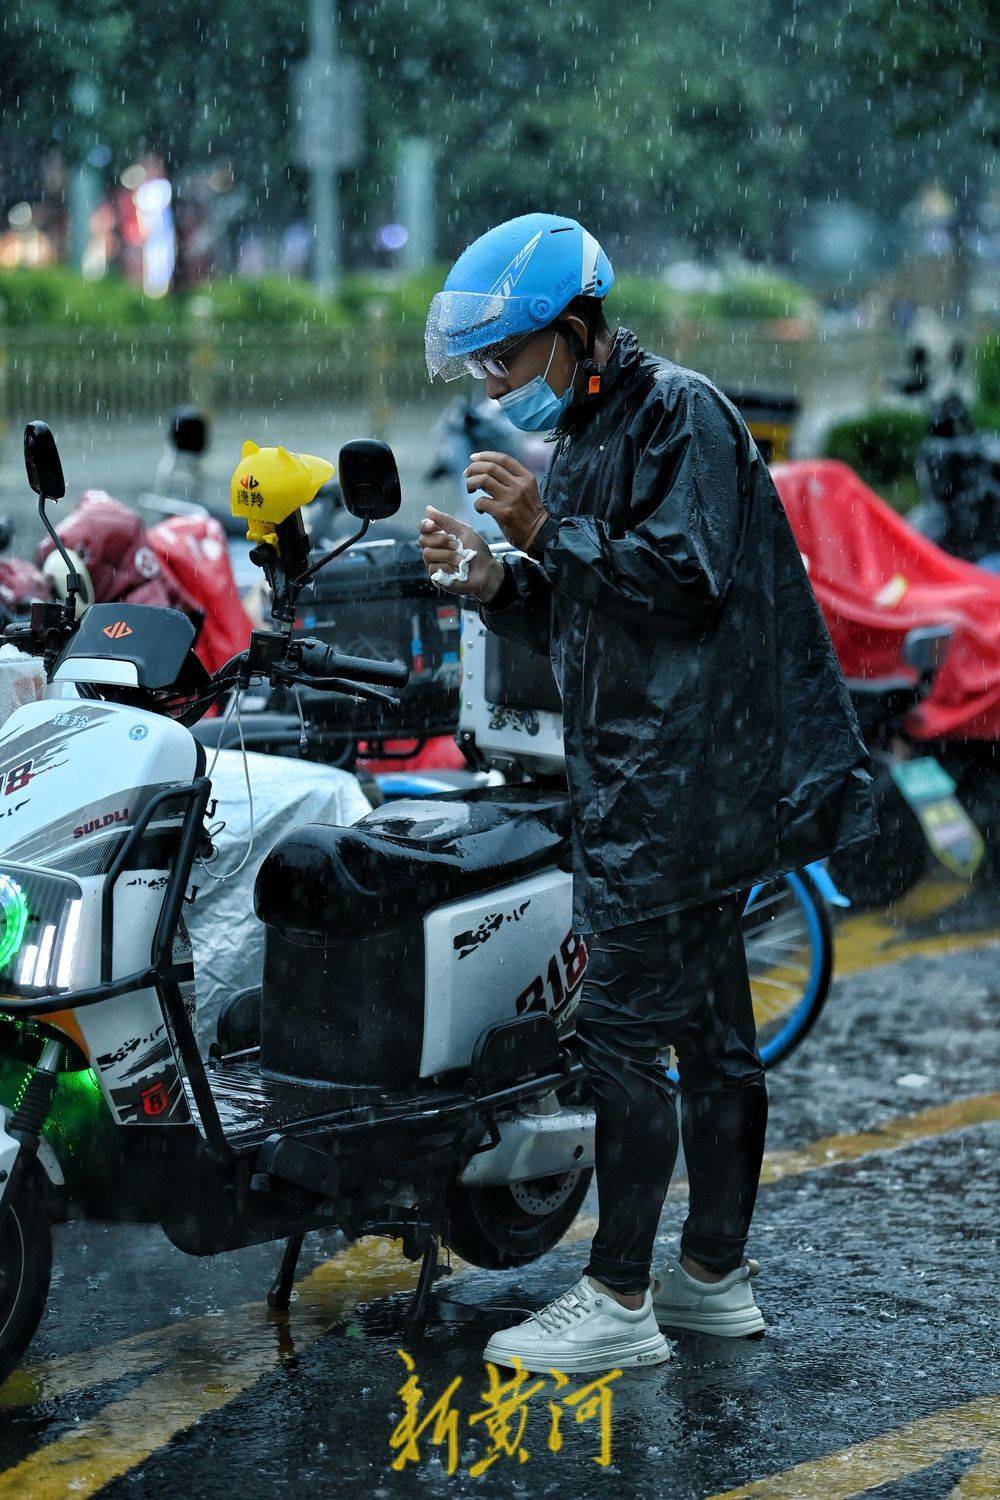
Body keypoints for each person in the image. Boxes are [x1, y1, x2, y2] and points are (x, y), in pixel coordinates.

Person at [419, 213, 877, 1374]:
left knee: (623, 1034)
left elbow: (684, 579)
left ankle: (618, 1294)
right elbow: (601, 603)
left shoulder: (678, 412)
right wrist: (500, 581)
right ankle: (712, 1275)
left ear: (574, 332)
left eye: (507, 359)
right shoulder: (590, 425)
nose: (495, 383)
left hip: (675, 783)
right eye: (482, 365)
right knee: (714, 1032)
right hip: (661, 775)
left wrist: (543, 527)